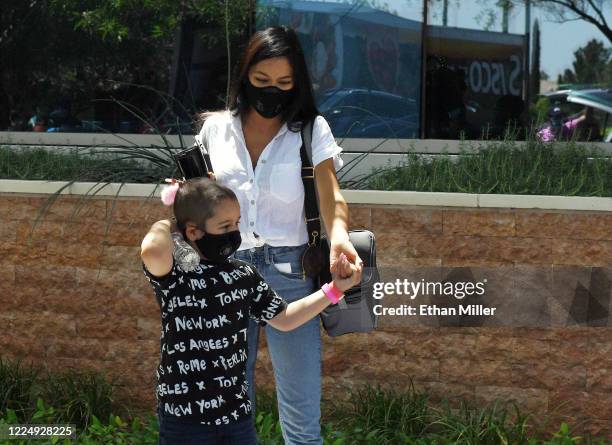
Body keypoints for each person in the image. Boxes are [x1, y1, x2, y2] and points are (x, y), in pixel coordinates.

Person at [141, 177, 360, 445]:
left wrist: (334, 290)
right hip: (185, 421)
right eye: (225, 226)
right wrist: (174, 218)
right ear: (193, 231)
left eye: (237, 223)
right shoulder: (177, 275)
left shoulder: (242, 274)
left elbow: (285, 318)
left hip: (236, 417)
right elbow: (152, 249)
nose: (234, 232)